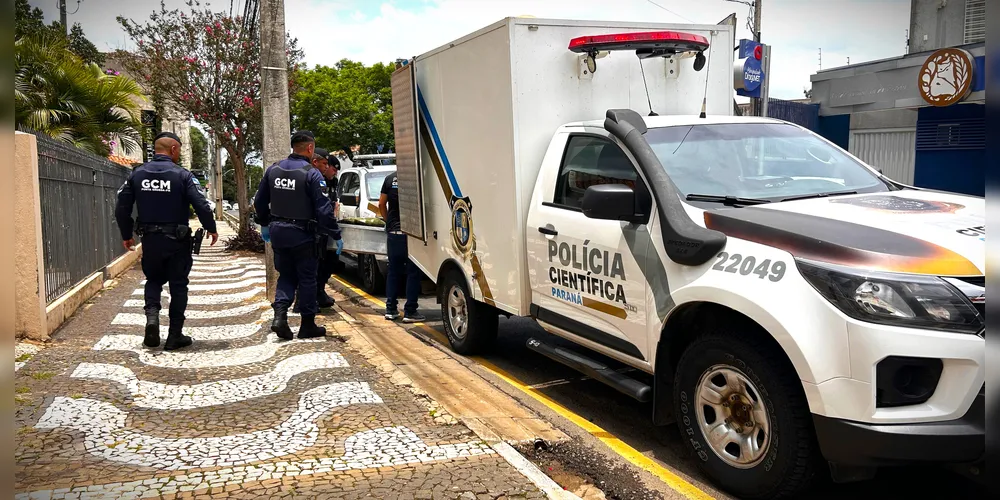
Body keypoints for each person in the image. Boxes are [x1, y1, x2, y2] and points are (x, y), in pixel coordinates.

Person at [115, 131, 219, 351]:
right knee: (178, 285)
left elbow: (121, 207)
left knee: (153, 280)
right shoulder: (182, 175)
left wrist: (126, 234)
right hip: (177, 241)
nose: (179, 154)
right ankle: (174, 335)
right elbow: (200, 203)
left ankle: (152, 320)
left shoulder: (137, 174)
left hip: (150, 239)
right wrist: (211, 227)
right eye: (179, 150)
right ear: (173, 149)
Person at [254, 131, 341, 339]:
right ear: (310, 148)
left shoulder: (273, 170)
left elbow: (259, 201)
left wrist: (266, 223)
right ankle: (307, 325)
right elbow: (323, 210)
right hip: (303, 234)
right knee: (307, 279)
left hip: (278, 233)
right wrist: (335, 234)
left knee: (286, 275)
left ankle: (280, 315)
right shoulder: (311, 173)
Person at [378, 171, 425, 322]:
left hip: (394, 232)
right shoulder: (415, 177)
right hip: (412, 233)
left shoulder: (389, 179)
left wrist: (389, 222)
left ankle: (391, 309)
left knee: (393, 271)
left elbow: (381, 203)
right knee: (413, 272)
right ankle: (410, 311)